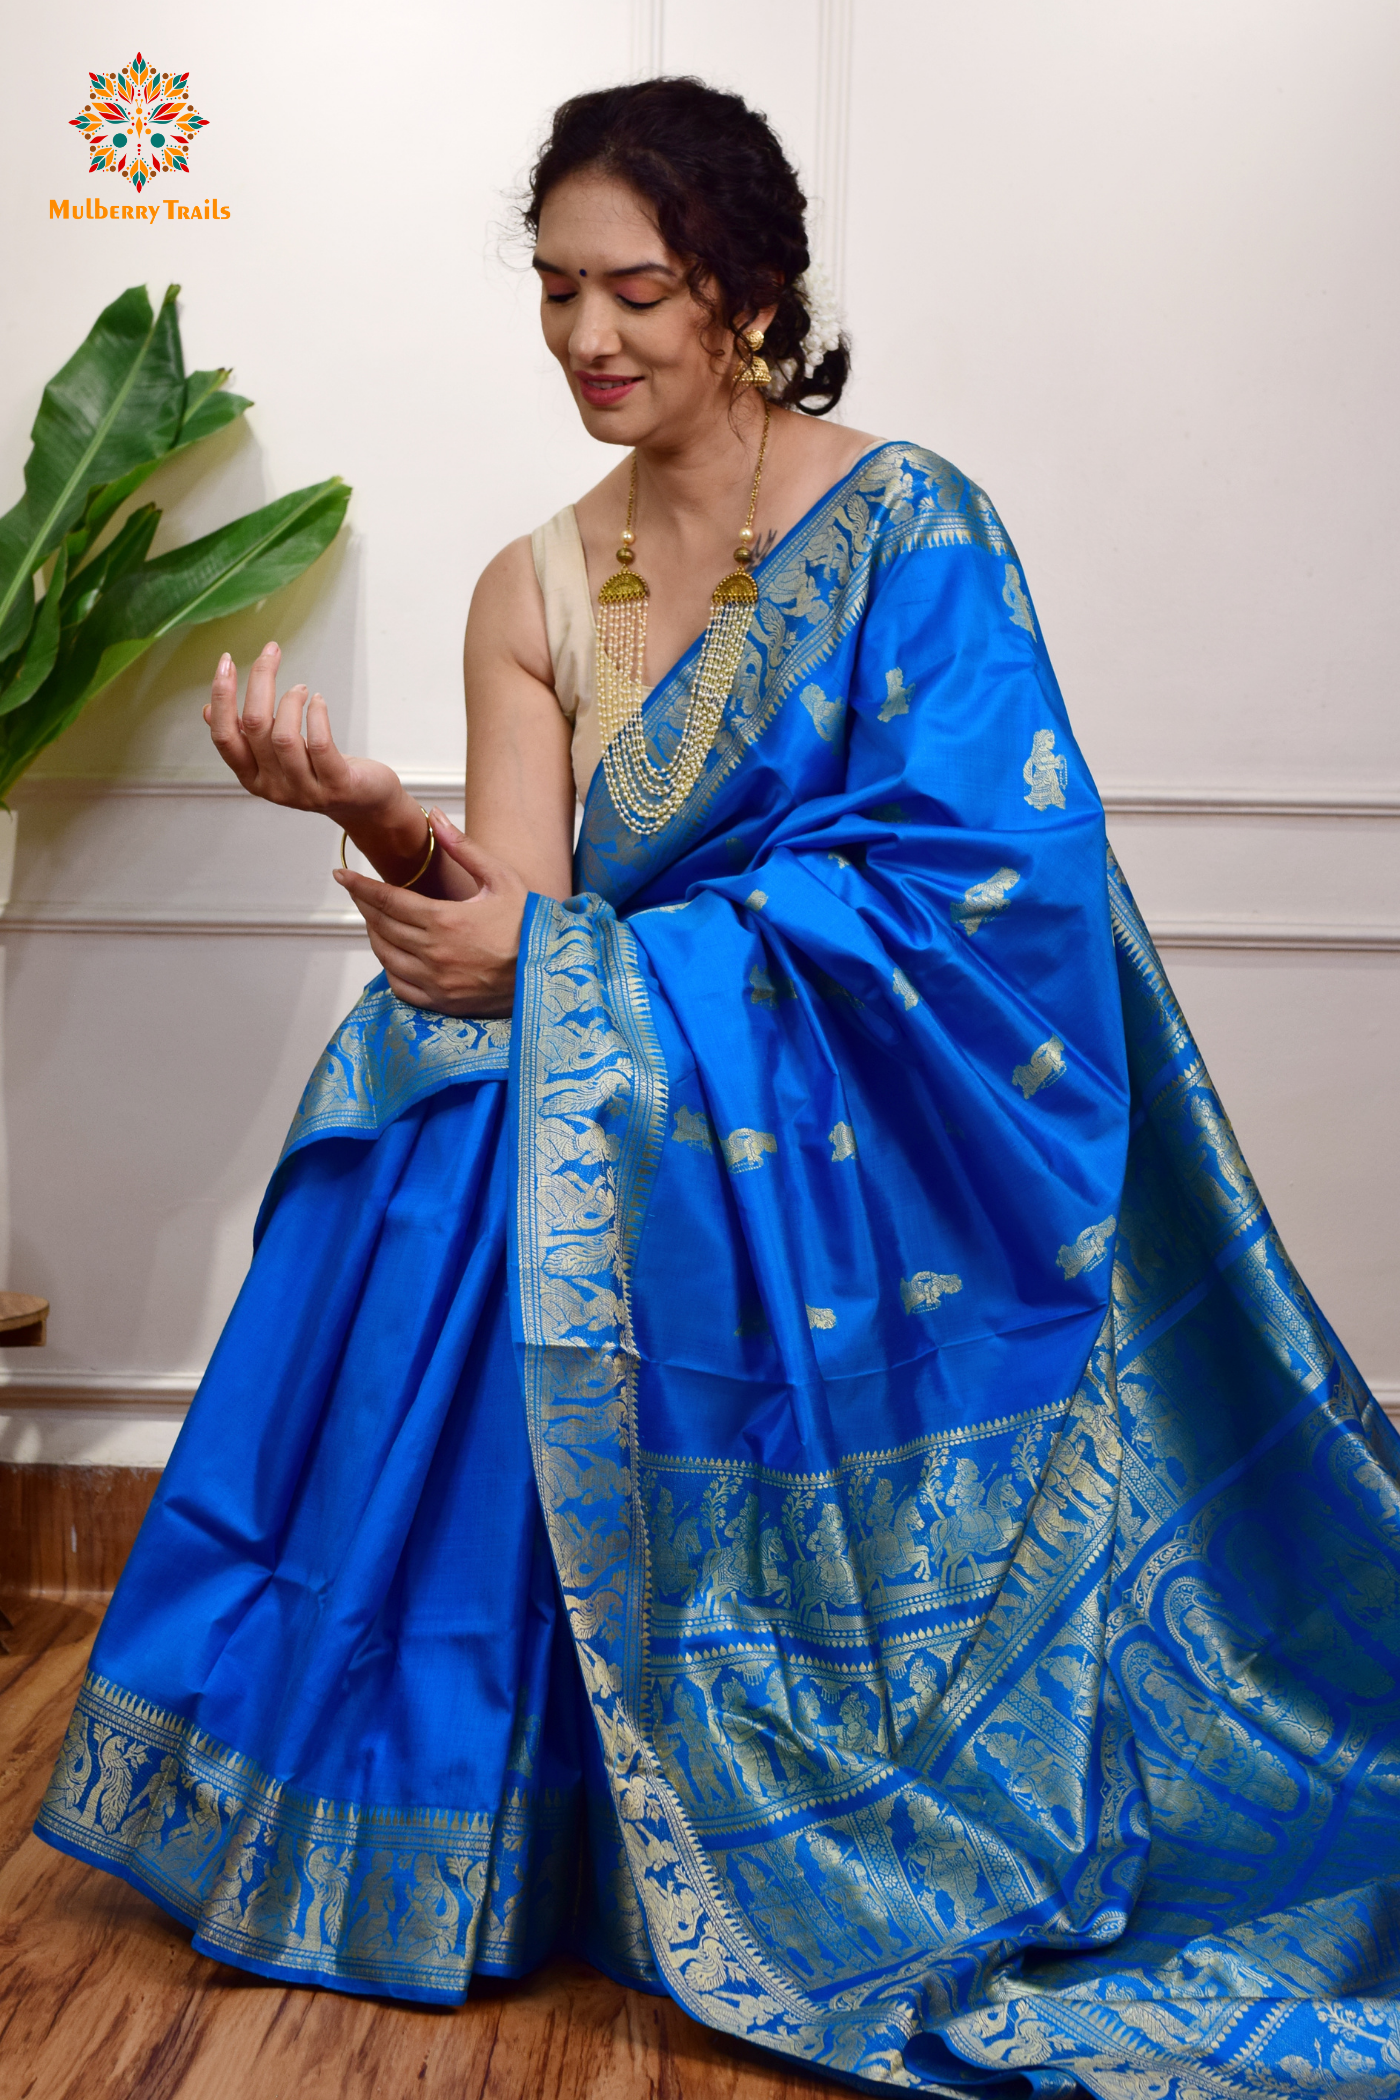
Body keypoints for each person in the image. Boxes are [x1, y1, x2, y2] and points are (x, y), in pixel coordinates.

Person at [36, 77, 1400, 2098]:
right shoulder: (538, 582)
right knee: (427, 1128)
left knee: (508, 1123)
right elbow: (519, 912)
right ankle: (443, 1809)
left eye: (638, 292)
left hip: (869, 1129)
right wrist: (370, 817)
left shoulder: (909, 526)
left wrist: (565, 973)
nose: (590, 339)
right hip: (649, 1081)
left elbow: (972, 906)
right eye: (557, 292)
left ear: (746, 292)